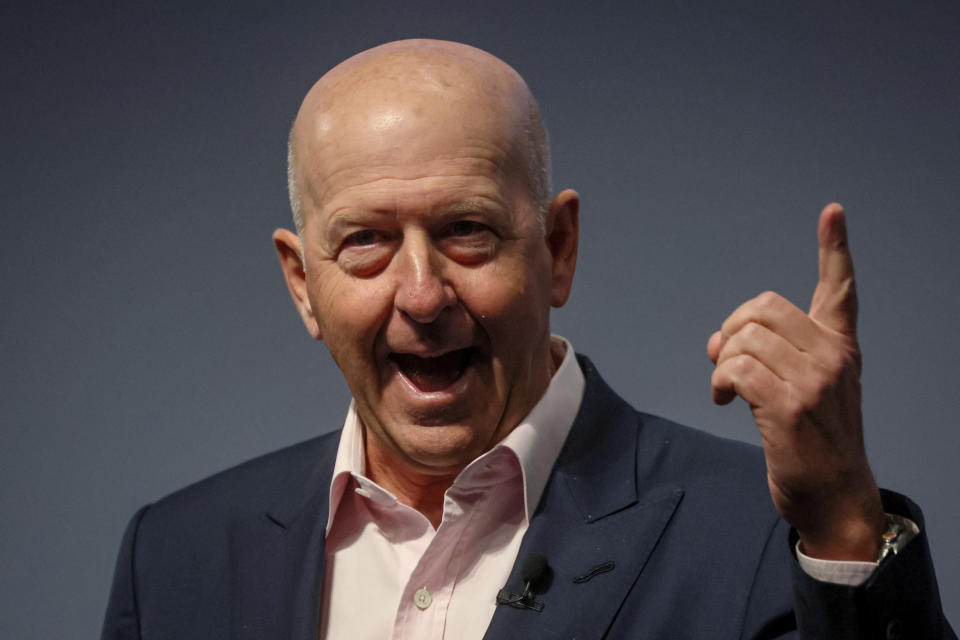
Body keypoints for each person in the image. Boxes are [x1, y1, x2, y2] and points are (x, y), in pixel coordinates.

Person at [101, 39, 955, 639]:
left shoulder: (776, 540)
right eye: (365, 241)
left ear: (557, 250)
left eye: (467, 230)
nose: (423, 294)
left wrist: (843, 522)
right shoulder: (174, 558)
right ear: (302, 284)